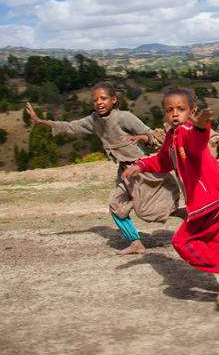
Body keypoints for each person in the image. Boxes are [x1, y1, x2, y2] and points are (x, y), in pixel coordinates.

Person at [122, 88, 219, 305]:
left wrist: (202, 124)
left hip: (209, 200)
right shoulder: (172, 136)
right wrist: (141, 165)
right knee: (216, 246)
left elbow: (197, 139)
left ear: (192, 110)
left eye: (181, 109)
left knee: (183, 241)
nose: (175, 114)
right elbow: (164, 160)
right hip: (218, 195)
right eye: (170, 110)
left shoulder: (187, 130)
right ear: (164, 114)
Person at [25, 81, 182, 255]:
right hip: (124, 171)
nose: (99, 102)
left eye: (103, 98)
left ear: (113, 100)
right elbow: (70, 126)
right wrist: (40, 121)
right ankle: (136, 243)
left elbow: (152, 135)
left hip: (141, 168)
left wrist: (138, 138)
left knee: (153, 208)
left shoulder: (124, 117)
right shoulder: (93, 120)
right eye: (95, 100)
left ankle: (192, 217)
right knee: (116, 204)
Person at [152, 120, 219, 252]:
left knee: (205, 217)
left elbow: (218, 143)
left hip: (210, 177)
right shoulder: (172, 132)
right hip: (194, 181)